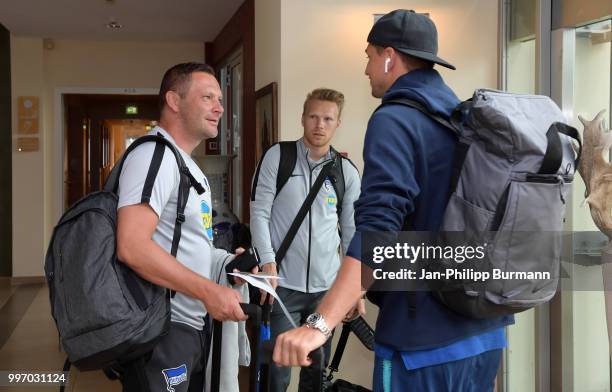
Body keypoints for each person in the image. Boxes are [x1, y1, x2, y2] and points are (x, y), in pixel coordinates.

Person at [273, 10, 514, 391]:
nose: (367, 69)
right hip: (485, 331)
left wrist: (319, 325)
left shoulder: (395, 120)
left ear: (389, 56)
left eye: (369, 57)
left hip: (422, 343)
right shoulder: (461, 119)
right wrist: (355, 288)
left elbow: (377, 232)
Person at [116, 62, 251, 391]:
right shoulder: (154, 157)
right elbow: (132, 246)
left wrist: (231, 266)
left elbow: (187, 245)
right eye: (208, 97)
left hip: (188, 324)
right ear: (174, 101)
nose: (220, 107)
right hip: (162, 328)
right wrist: (208, 291)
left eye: (220, 99)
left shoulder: (186, 165)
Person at [250, 88, 362, 391]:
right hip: (282, 286)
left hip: (326, 291)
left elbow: (352, 233)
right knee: (278, 370)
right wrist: (268, 263)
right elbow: (259, 213)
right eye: (313, 116)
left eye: (328, 118)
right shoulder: (279, 157)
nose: (319, 124)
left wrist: (354, 290)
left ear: (338, 123)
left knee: (316, 373)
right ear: (302, 117)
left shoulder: (346, 172)